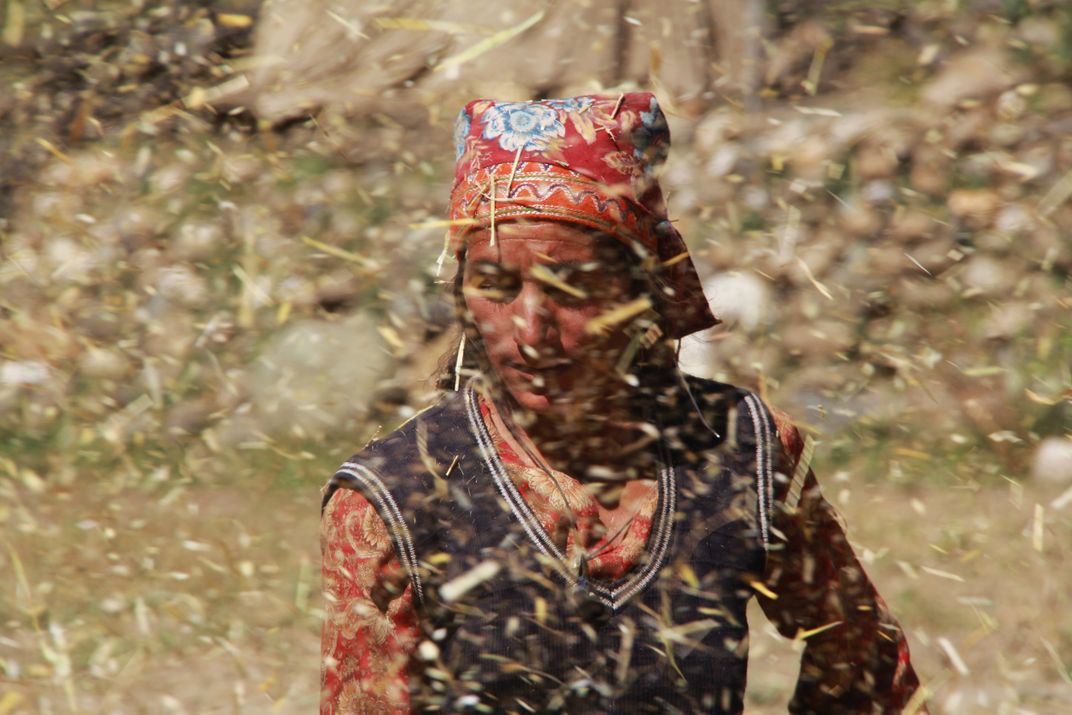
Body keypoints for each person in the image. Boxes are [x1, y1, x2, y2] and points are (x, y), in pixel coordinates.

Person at [320, 93, 924, 714]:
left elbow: (865, 661)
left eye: (573, 285)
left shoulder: (738, 450)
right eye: (495, 285)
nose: (530, 328)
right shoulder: (399, 497)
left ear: (642, 291)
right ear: (460, 295)